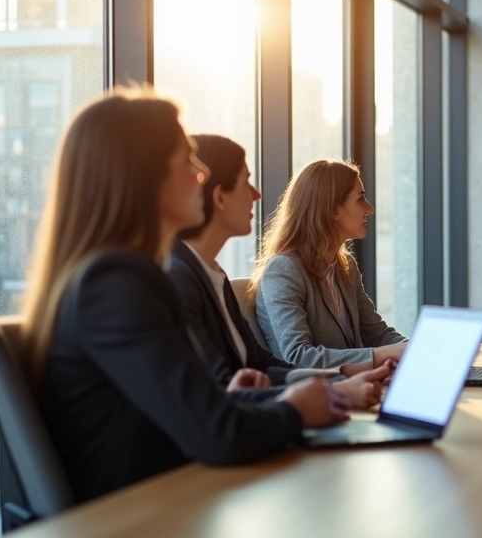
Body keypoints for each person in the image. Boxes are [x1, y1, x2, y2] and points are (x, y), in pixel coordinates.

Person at [19, 86, 348, 503]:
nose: (202, 173)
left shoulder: (111, 278)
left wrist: (238, 399)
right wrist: (297, 410)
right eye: (186, 159)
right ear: (142, 177)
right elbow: (217, 434)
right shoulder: (116, 283)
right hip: (137, 519)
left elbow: (197, 410)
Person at [168, 135, 393, 409]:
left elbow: (261, 366)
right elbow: (288, 359)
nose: (257, 195)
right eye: (246, 182)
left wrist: (407, 354)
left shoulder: (214, 277)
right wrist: (344, 388)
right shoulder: (279, 270)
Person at [251, 159, 408, 368]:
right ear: (333, 210)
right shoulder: (283, 270)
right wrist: (382, 355)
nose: (369, 209)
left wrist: (415, 349)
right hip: (314, 395)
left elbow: (377, 334)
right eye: (360, 199)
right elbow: (298, 356)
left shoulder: (345, 266)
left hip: (354, 388)